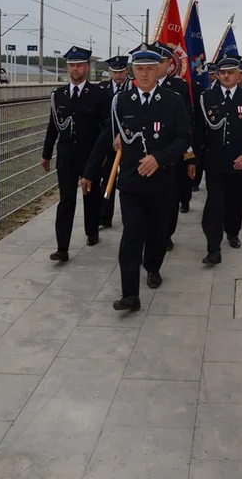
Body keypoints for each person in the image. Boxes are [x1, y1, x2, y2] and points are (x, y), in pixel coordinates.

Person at [83, 44, 191, 311]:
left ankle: (153, 267)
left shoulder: (173, 101)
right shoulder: (120, 101)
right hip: (131, 182)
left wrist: (159, 158)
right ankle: (129, 294)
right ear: (132, 72)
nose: (144, 74)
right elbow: (108, 136)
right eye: (139, 69)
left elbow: (184, 138)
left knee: (156, 233)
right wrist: (89, 171)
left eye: (150, 69)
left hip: (162, 180)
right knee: (132, 235)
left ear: (158, 70)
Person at [194, 55, 242, 265]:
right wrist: (193, 161)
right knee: (214, 203)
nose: (226, 76)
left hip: (241, 161)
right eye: (222, 72)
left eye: (231, 72)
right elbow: (199, 130)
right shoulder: (207, 97)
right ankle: (213, 248)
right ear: (217, 74)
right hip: (214, 161)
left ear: (238, 75)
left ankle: (232, 232)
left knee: (236, 203)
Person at [42, 46, 109, 262]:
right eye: (71, 65)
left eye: (79, 65)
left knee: (91, 197)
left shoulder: (99, 94)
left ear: (87, 68)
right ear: (67, 68)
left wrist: (104, 153)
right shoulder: (58, 95)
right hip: (66, 157)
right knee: (66, 201)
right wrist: (46, 153)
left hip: (90, 156)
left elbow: (105, 127)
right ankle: (62, 248)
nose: (75, 69)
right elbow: (53, 125)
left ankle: (92, 231)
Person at [151, 41, 194, 250]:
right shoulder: (136, 86)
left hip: (170, 153)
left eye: (161, 61)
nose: (156, 65)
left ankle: (167, 233)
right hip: (145, 153)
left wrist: (189, 155)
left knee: (170, 197)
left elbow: (186, 123)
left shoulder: (179, 87)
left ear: (169, 63)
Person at [98, 55, 134, 228]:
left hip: (129, 141)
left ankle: (130, 216)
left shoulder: (133, 87)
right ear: (109, 72)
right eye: (114, 72)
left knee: (128, 180)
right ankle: (105, 217)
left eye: (121, 71)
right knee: (107, 179)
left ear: (127, 71)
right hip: (108, 142)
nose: (118, 76)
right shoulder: (102, 89)